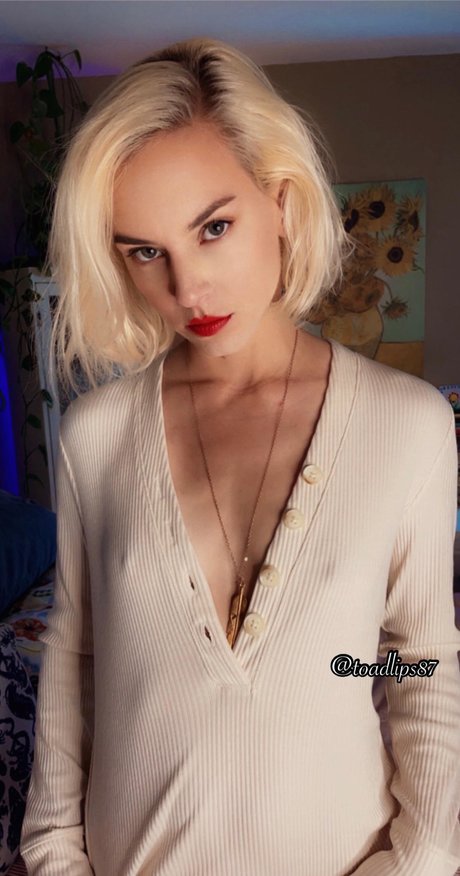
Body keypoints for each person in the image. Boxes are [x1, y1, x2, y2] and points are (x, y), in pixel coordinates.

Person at [20, 37, 460, 876]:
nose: (187, 289)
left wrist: (424, 858)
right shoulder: (96, 437)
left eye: (213, 228)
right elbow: (72, 661)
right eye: (145, 250)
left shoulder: (407, 427)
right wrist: (51, 854)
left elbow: (420, 663)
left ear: (282, 202)